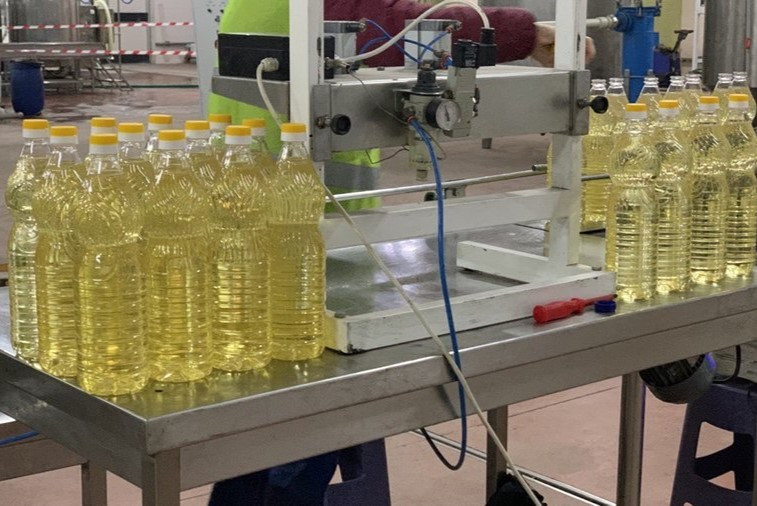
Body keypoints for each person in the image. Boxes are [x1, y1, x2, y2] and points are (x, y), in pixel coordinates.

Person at [208, 2, 595, 504]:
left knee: (259, 427)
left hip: (281, 220)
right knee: (303, 421)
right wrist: (522, 32)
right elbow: (391, 25)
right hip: (299, 231)